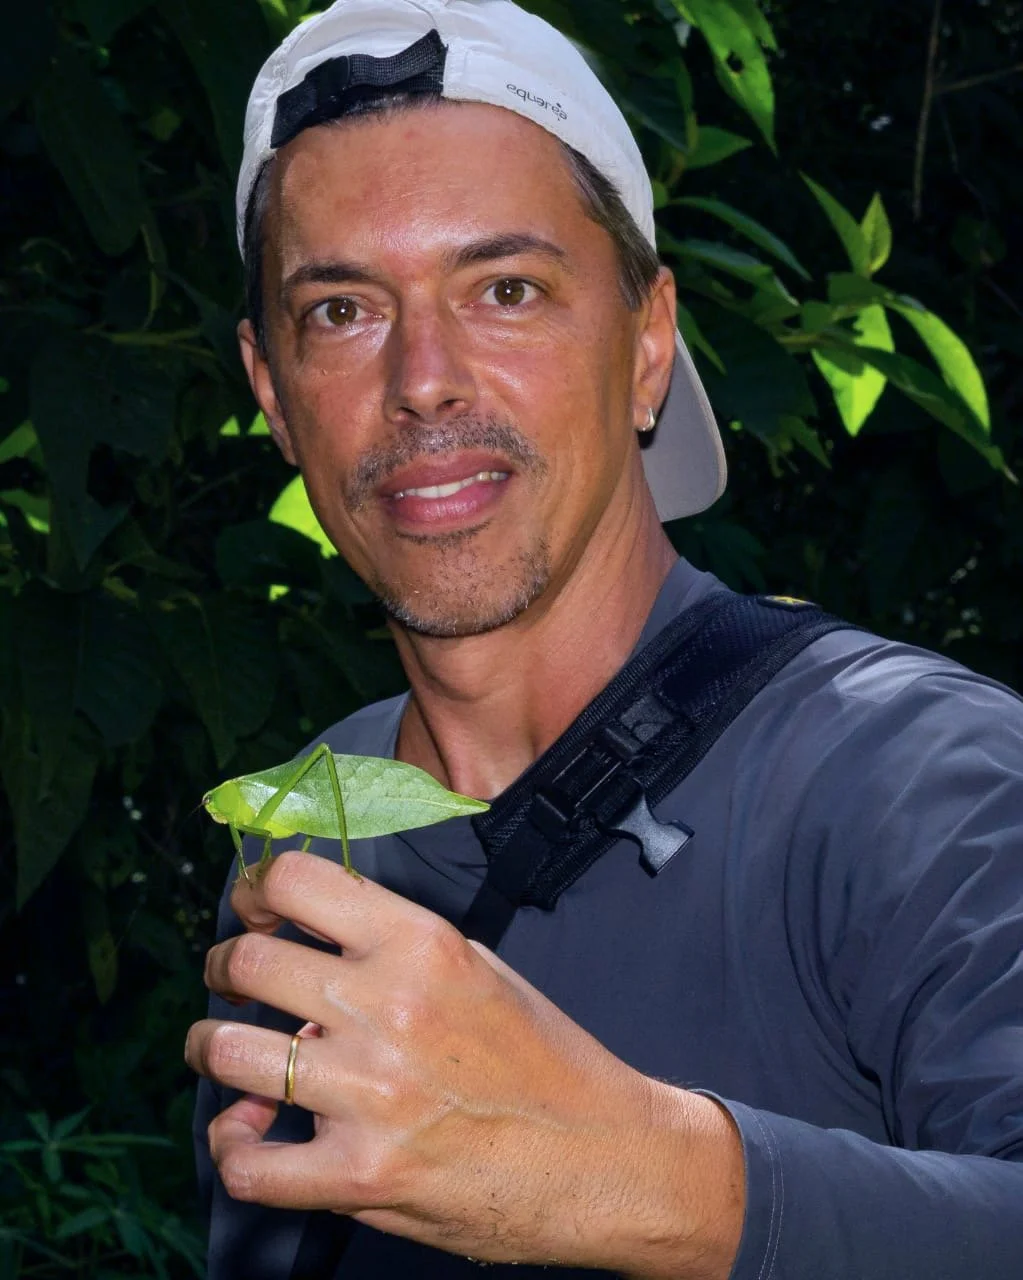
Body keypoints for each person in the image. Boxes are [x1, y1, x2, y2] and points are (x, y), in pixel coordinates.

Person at [186, 2, 1023, 1277]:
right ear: (273, 397)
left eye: (506, 288)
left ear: (647, 343)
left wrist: (641, 1169)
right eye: (343, 311)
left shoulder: (923, 778)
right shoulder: (303, 842)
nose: (424, 376)